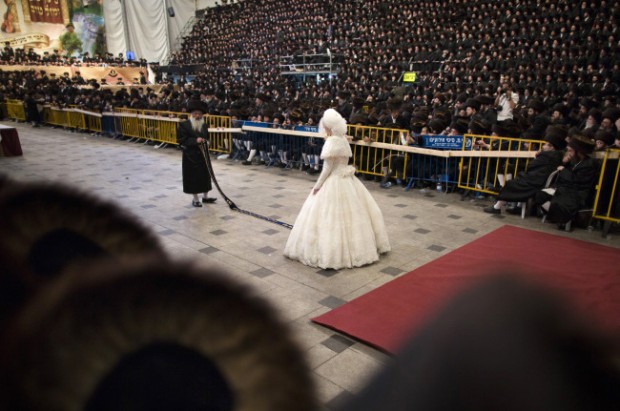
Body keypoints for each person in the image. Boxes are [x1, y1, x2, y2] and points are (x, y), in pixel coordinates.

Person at [284, 109, 390, 269]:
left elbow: (327, 169)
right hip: (348, 180)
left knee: (329, 218)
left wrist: (317, 186)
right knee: (355, 216)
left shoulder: (332, 142)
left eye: (325, 125)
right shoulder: (343, 139)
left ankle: (334, 254)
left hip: (334, 181)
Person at [484, 125, 567, 215]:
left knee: (511, 184)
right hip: (537, 181)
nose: (543, 146)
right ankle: (517, 207)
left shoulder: (547, 156)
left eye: (546, 145)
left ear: (552, 147)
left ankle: (497, 207)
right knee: (517, 179)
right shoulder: (554, 156)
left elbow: (531, 166)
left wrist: (538, 156)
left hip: (534, 183)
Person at [534, 134, 599, 225]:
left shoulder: (589, 164)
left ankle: (561, 219)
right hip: (565, 188)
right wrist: (564, 163)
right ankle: (554, 216)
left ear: (579, 152)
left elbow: (578, 180)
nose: (568, 153)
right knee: (541, 194)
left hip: (577, 192)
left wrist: (564, 170)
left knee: (559, 203)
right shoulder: (574, 160)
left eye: (571, 150)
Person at [176, 98, 216, 207]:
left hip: (204, 155)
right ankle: (195, 199)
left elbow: (207, 138)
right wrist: (195, 141)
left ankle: (206, 197)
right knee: (194, 178)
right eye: (195, 114)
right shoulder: (184, 125)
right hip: (191, 156)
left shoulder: (204, 125)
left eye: (199, 114)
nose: (197, 116)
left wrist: (208, 142)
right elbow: (181, 140)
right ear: (191, 114)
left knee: (205, 176)